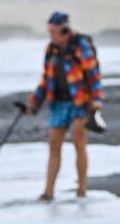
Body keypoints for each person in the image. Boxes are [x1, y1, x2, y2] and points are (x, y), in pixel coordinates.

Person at [25, 12, 104, 201]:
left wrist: (97, 98)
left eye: (54, 31)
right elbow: (46, 78)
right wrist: (35, 101)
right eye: (49, 30)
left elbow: (93, 74)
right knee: (54, 143)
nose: (51, 34)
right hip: (58, 102)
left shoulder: (81, 46)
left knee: (79, 142)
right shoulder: (51, 49)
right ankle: (48, 192)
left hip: (81, 102)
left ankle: (82, 189)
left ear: (64, 29)